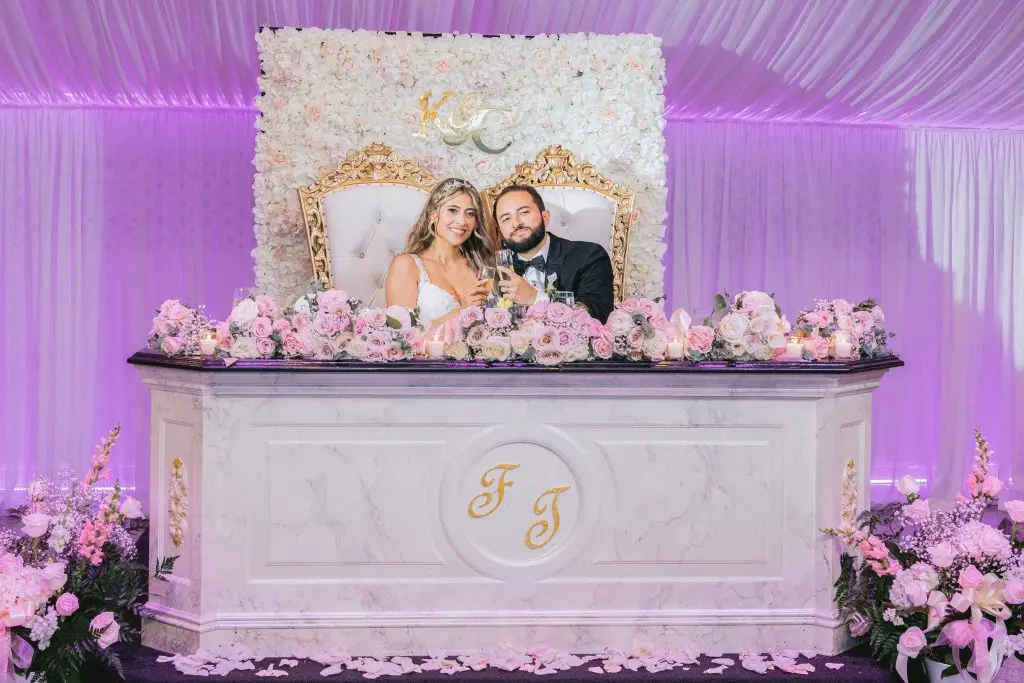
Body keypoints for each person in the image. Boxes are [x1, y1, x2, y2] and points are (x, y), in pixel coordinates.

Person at [385, 178, 494, 333]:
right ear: (433, 214)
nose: (462, 221)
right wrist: (462, 310)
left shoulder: (482, 266)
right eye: (452, 210)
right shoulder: (406, 265)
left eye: (470, 214)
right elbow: (403, 337)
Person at [492, 185, 615, 322]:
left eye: (524, 212)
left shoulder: (589, 255)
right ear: (500, 231)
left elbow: (600, 312)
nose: (516, 223)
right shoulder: (497, 271)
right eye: (506, 219)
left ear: (545, 217)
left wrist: (535, 298)